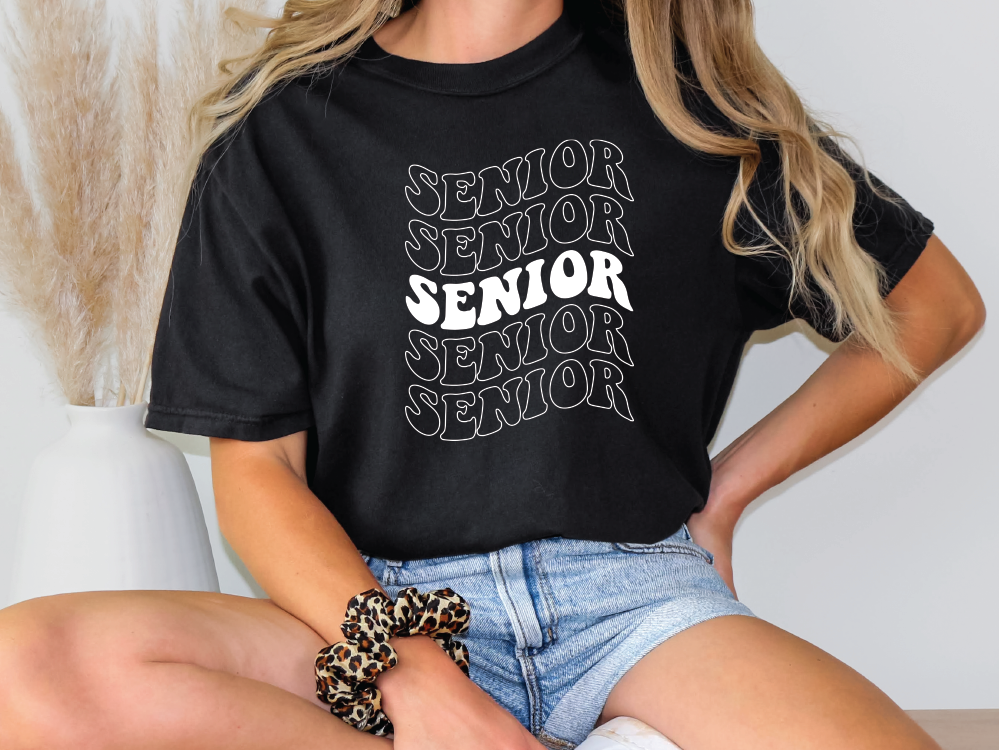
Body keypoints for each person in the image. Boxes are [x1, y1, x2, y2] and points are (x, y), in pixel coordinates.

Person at [0, 0, 985, 748]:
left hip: (633, 601)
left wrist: (727, 492)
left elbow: (933, 307)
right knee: (28, 667)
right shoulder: (279, 138)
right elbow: (257, 478)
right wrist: (416, 682)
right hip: (378, 603)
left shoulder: (694, 111)